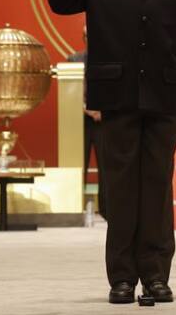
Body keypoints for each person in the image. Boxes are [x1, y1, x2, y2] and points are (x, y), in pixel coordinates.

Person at [46, 0, 176, 304]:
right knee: (119, 188)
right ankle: (121, 277)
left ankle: (155, 275)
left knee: (157, 185)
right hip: (115, 94)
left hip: (163, 95)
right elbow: (61, 2)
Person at [67, 25, 106, 219]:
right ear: (83, 37)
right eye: (87, 36)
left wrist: (102, 110)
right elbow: (69, 93)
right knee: (78, 164)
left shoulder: (109, 58)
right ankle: (76, 206)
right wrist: (88, 109)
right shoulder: (73, 60)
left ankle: (106, 208)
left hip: (104, 120)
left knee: (106, 165)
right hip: (80, 120)